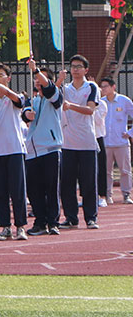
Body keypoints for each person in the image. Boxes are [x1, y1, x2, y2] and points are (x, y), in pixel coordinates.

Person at [50, 54, 101, 229]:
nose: (75, 69)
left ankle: (91, 217)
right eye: (73, 66)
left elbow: (90, 110)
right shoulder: (65, 88)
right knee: (67, 183)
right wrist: (59, 80)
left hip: (86, 142)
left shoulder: (91, 87)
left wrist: (71, 106)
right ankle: (71, 217)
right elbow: (50, 95)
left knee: (88, 183)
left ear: (86, 70)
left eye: (79, 66)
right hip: (67, 144)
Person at [0, 63, 29, 240]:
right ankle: (5, 226)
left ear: (8, 78)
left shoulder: (15, 98)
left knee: (17, 190)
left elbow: (13, 96)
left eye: (0, 75)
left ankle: (20, 226)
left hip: (15, 149)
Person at [23, 59, 64, 235]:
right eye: (36, 79)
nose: (38, 82)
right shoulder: (33, 100)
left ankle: (53, 222)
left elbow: (49, 89)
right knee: (34, 189)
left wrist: (36, 69)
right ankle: (39, 222)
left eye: (41, 79)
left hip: (50, 149)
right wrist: (27, 114)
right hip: (32, 151)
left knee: (51, 187)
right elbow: (23, 113)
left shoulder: (55, 97)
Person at [99, 77, 133, 204]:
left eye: (105, 86)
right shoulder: (100, 102)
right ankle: (107, 194)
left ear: (113, 87)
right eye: (101, 86)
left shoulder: (124, 101)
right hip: (105, 142)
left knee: (125, 170)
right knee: (106, 171)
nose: (103, 89)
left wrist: (129, 133)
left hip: (121, 143)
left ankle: (126, 194)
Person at [92, 80, 109, 209]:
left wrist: (93, 107)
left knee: (101, 168)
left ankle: (102, 196)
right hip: (86, 138)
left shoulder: (102, 104)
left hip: (98, 138)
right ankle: (88, 197)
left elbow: (98, 120)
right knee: (86, 170)